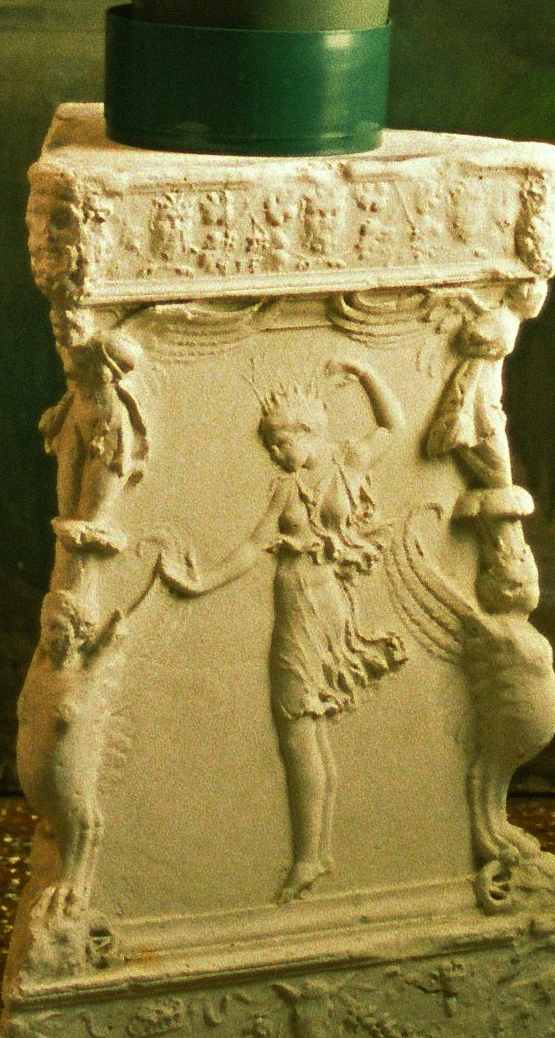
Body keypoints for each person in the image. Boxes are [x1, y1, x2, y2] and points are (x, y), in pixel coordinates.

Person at [161, 358, 408, 900]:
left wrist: (366, 371)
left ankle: (311, 856)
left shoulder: (349, 463)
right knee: (304, 735)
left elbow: (392, 427)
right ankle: (312, 854)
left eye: (279, 442)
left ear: (309, 432)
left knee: (304, 733)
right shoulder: (284, 488)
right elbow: (253, 548)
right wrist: (201, 583)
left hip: (327, 611)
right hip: (294, 609)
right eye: (271, 445)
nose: (275, 453)